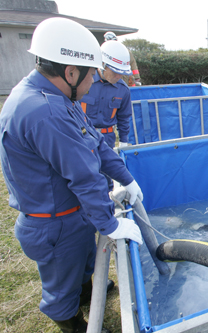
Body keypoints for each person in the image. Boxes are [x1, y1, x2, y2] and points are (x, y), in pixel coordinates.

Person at [0, 17, 143, 333]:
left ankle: (87, 293)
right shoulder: (45, 112)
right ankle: (71, 321)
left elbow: (93, 143)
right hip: (54, 224)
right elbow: (85, 174)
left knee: (82, 265)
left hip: (69, 215)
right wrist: (109, 223)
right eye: (92, 74)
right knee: (62, 285)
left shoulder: (57, 99)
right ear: (71, 71)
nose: (94, 83)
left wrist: (126, 177)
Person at [81, 40, 132, 150]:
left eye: (122, 73)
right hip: (82, 137)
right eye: (115, 72)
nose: (118, 76)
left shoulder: (123, 90)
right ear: (102, 64)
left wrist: (123, 142)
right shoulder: (83, 83)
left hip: (107, 140)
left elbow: (124, 118)